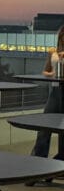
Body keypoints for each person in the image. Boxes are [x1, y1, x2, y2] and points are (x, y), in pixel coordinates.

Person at [31, 24, 64, 160]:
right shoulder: (53, 52)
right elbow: (45, 71)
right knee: (45, 125)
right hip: (55, 91)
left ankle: (60, 161)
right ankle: (38, 158)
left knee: (63, 128)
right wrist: (53, 74)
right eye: (62, 37)